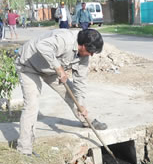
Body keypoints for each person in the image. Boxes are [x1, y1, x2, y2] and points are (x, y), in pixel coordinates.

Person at [16, 28, 108, 156]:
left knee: (71, 93)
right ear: (82, 45)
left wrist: (80, 104)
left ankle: (88, 121)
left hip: (50, 70)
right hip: (28, 66)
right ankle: (25, 149)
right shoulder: (65, 40)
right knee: (32, 104)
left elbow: (80, 83)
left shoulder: (84, 56)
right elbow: (41, 46)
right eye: (90, 51)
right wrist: (59, 69)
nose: (91, 55)